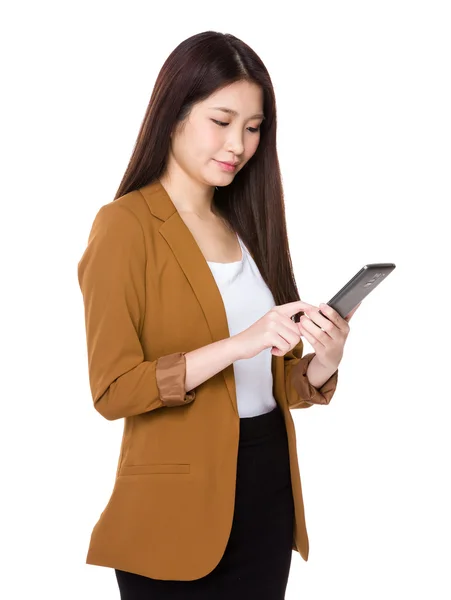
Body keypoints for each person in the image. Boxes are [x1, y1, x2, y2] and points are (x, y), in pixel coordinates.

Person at [77, 30, 358, 600]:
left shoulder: (249, 224)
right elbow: (112, 390)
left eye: (253, 128)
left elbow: (271, 383)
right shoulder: (125, 227)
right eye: (222, 121)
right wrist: (235, 344)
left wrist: (323, 364)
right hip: (171, 509)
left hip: (265, 488)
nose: (239, 143)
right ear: (175, 113)